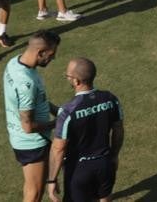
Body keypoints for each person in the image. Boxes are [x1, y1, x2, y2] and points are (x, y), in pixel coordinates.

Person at [47, 57, 124, 202]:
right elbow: (118, 130)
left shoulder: (68, 111)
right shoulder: (110, 99)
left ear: (76, 81)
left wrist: (51, 180)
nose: (67, 78)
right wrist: (114, 155)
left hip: (79, 169)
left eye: (67, 76)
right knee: (104, 198)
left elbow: (58, 149)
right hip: (104, 163)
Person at [3, 30, 61, 202]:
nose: (53, 58)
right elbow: (28, 126)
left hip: (20, 138)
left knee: (30, 188)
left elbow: (39, 100)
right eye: (51, 54)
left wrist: (59, 111)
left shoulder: (14, 62)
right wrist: (56, 123)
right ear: (40, 52)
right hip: (32, 144)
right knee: (34, 194)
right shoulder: (25, 83)